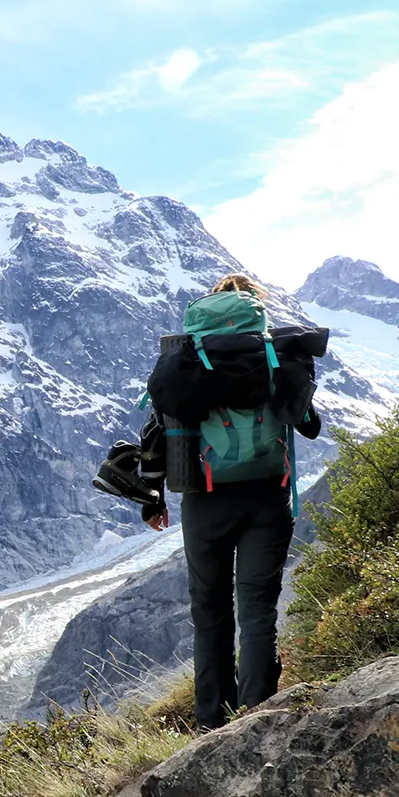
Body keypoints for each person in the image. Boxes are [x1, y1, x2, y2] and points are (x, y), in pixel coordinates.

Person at [155, 274, 323, 729]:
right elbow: (308, 425)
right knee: (258, 610)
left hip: (205, 499)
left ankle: (211, 721)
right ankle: (258, 717)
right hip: (268, 498)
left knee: (209, 611)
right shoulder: (275, 355)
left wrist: (154, 496)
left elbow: (162, 423)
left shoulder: (188, 361)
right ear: (254, 310)